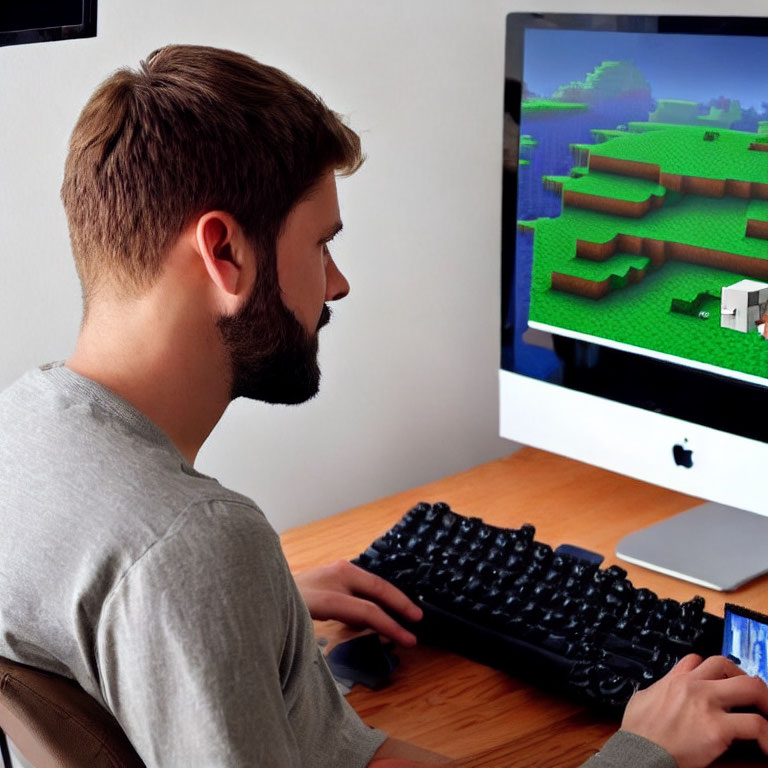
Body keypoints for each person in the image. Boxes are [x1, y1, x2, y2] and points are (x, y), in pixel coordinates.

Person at [0, 44, 766, 768]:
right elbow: (173, 568)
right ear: (224, 253)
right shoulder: (192, 550)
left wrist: (258, 618)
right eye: (320, 245)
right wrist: (645, 750)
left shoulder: (25, 435)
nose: (336, 284)